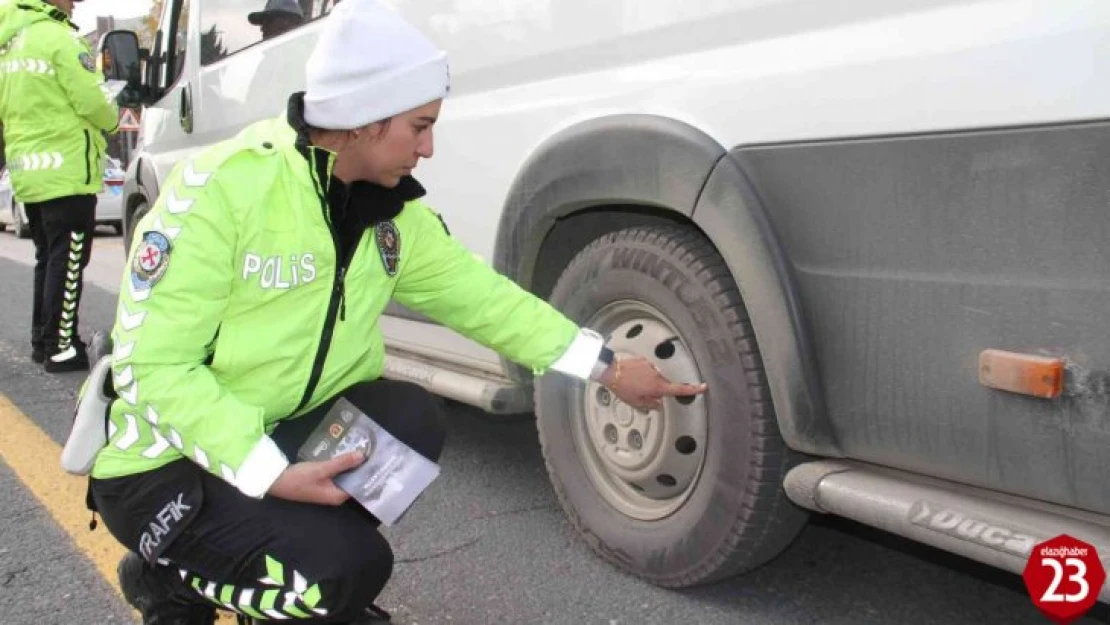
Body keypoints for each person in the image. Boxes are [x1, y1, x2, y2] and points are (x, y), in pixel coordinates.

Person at [75, 1, 706, 623]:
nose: (428, 148)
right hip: (162, 463)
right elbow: (152, 370)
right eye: (419, 126)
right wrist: (269, 473)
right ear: (363, 121)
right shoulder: (222, 193)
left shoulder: (390, 217)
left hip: (269, 427)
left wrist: (606, 367)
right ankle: (173, 580)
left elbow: (489, 303)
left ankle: (272, 556)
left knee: (409, 419)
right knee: (345, 571)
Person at [0, 0, 119, 372]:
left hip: (30, 173)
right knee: (68, 261)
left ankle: (42, 340)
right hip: (66, 169)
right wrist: (112, 119)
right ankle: (61, 347)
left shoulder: (11, 44)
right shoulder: (60, 39)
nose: (73, 5)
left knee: (48, 258)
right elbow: (92, 102)